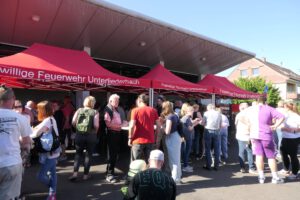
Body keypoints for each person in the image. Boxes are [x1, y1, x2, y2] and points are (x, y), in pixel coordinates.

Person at [0, 85, 32, 200]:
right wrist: (24, 157)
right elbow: (26, 143)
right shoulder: (20, 118)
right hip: (12, 164)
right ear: (13, 99)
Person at [244, 96, 285, 184]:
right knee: (271, 156)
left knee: (259, 156)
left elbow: (243, 118)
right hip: (266, 135)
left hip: (254, 135)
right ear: (266, 101)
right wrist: (275, 126)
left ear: (256, 100)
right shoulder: (269, 108)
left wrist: (249, 127)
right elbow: (282, 117)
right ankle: (275, 177)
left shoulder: (250, 109)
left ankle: (261, 177)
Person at [31, 100, 60, 200]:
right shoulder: (51, 119)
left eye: (38, 109)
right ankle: (53, 194)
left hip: (49, 152)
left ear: (43, 110)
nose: (37, 111)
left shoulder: (47, 121)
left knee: (40, 176)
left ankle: (52, 189)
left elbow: (35, 134)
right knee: (52, 173)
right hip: (53, 150)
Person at [69, 96, 99, 181]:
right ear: (93, 103)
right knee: (88, 155)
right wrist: (95, 131)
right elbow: (96, 125)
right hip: (91, 135)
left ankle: (75, 173)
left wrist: (78, 128)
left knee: (78, 154)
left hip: (79, 135)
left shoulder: (79, 110)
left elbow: (73, 122)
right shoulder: (95, 112)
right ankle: (85, 175)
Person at [128, 93, 160, 162]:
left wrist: (130, 138)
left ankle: (135, 173)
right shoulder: (153, 110)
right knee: (149, 161)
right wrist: (156, 137)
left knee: (135, 163)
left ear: (139, 101)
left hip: (137, 140)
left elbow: (132, 126)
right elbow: (159, 126)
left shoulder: (135, 110)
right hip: (150, 139)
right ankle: (147, 173)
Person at [160, 101, 182, 184]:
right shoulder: (175, 115)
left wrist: (161, 126)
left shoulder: (169, 117)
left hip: (172, 138)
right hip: (176, 137)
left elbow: (167, 131)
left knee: (173, 160)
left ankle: (174, 179)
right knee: (176, 159)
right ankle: (177, 177)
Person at [104, 94, 123, 183]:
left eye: (118, 101)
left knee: (114, 154)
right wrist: (120, 125)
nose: (117, 102)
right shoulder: (108, 109)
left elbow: (116, 121)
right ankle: (109, 174)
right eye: (116, 101)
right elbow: (108, 124)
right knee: (111, 154)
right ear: (110, 101)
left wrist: (124, 123)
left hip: (116, 134)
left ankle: (110, 172)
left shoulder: (115, 109)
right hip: (112, 134)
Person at [280, 102, 300, 180]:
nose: (283, 109)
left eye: (284, 107)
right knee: (283, 153)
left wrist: (292, 130)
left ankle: (295, 172)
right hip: (285, 137)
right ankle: (286, 169)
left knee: (293, 156)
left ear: (288, 108)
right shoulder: (285, 116)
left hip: (293, 138)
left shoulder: (296, 116)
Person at [235, 103, 256, 174]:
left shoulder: (238, 115)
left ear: (241, 108)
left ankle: (242, 168)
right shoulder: (251, 115)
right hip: (248, 136)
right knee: (249, 151)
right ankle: (251, 167)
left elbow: (236, 124)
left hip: (240, 135)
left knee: (241, 152)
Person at [202, 104, 222, 171]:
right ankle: (216, 166)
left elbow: (203, 123)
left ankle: (208, 165)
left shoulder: (206, 113)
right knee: (217, 149)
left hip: (208, 131)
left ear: (209, 108)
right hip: (216, 131)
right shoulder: (219, 113)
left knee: (208, 149)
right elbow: (220, 124)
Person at [181, 105, 200, 172]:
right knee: (187, 152)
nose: (193, 112)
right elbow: (190, 128)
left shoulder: (185, 118)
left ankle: (186, 165)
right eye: (192, 111)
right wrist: (196, 123)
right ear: (188, 111)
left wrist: (194, 121)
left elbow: (189, 124)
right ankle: (185, 166)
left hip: (185, 137)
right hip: (187, 137)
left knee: (186, 152)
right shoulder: (187, 118)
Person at [13, 100, 32, 168]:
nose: (18, 108)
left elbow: (26, 128)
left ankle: (26, 163)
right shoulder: (10, 117)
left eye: (20, 106)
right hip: (15, 139)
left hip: (24, 138)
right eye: (15, 106)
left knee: (26, 152)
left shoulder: (27, 116)